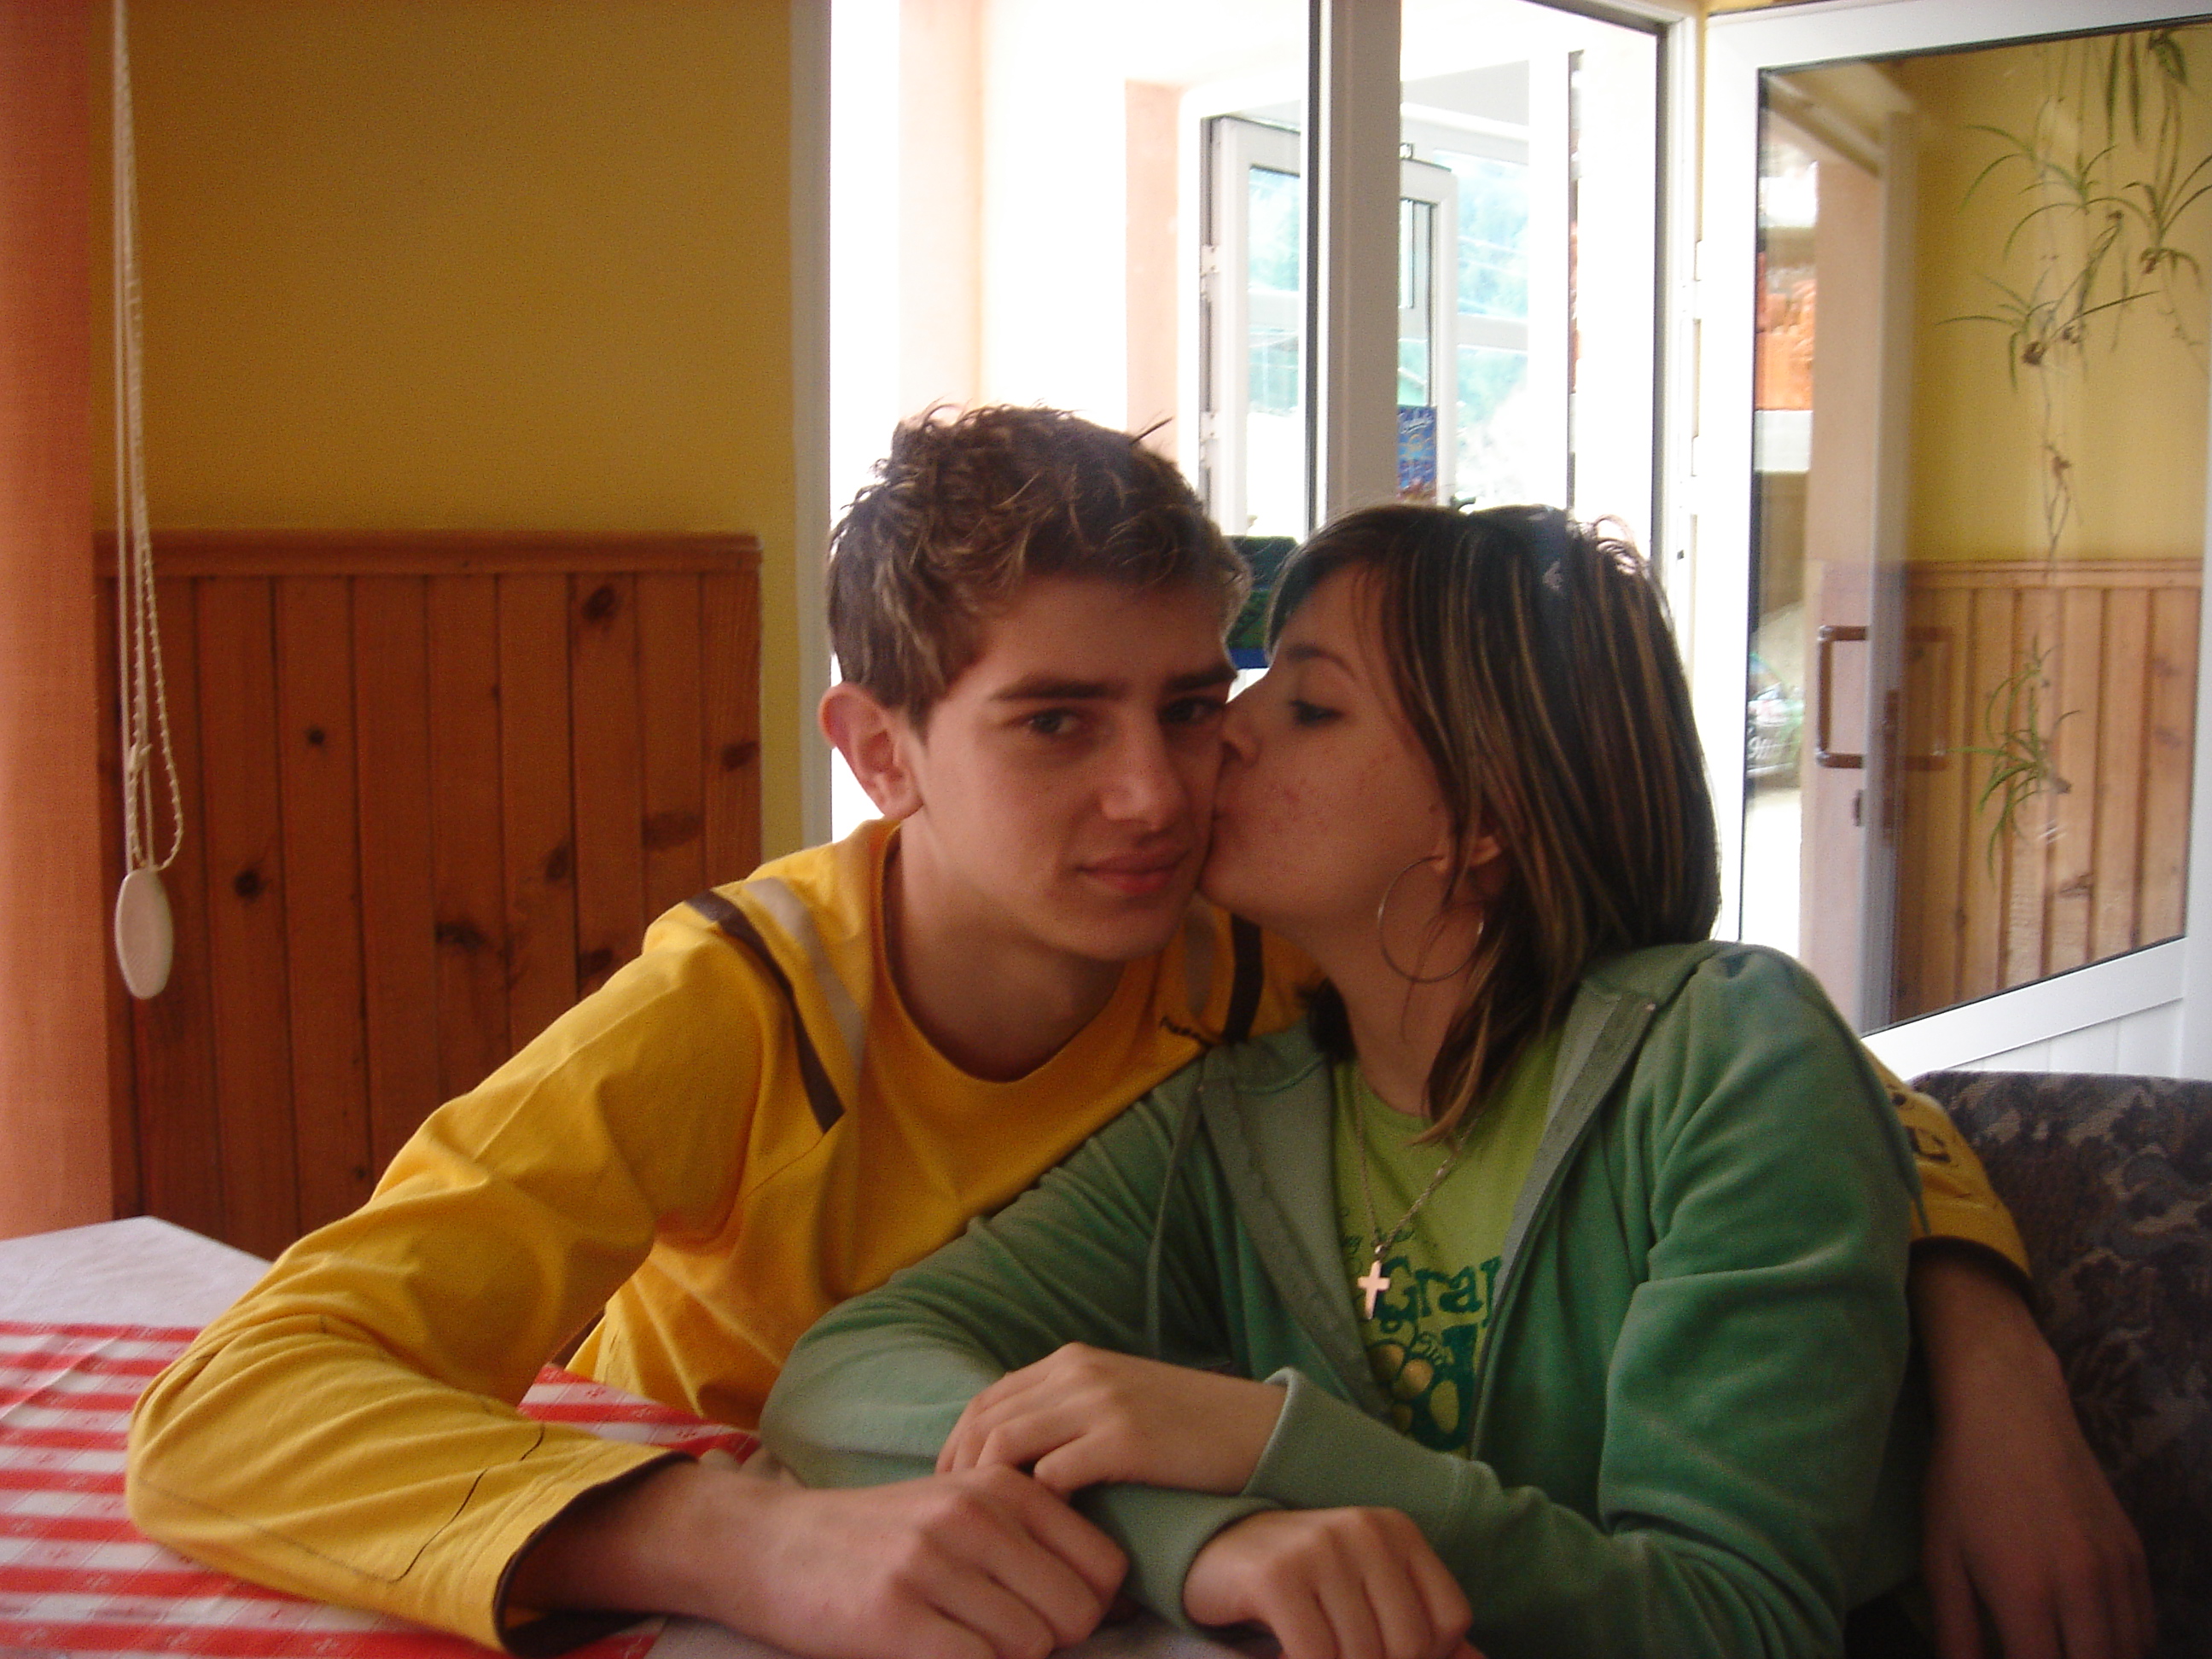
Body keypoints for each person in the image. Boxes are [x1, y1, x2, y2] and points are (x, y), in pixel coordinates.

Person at [125, 410, 2140, 1659]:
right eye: (1056, 723)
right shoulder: (744, 1008)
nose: (1165, 792)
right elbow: (239, 1406)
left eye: (1204, 703)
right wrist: (728, 1535)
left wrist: (1986, 1353)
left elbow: (1760, 1057)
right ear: (881, 750)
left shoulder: (1274, 975)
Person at [760, 504, 2158, 1659]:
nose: (1223, 734)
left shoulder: (1718, 1060)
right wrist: (1203, 1535)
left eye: (1310, 705)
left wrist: (1270, 1445)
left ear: (1482, 818)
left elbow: (1735, 1620)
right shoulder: (1236, 1116)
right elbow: (844, 1378)